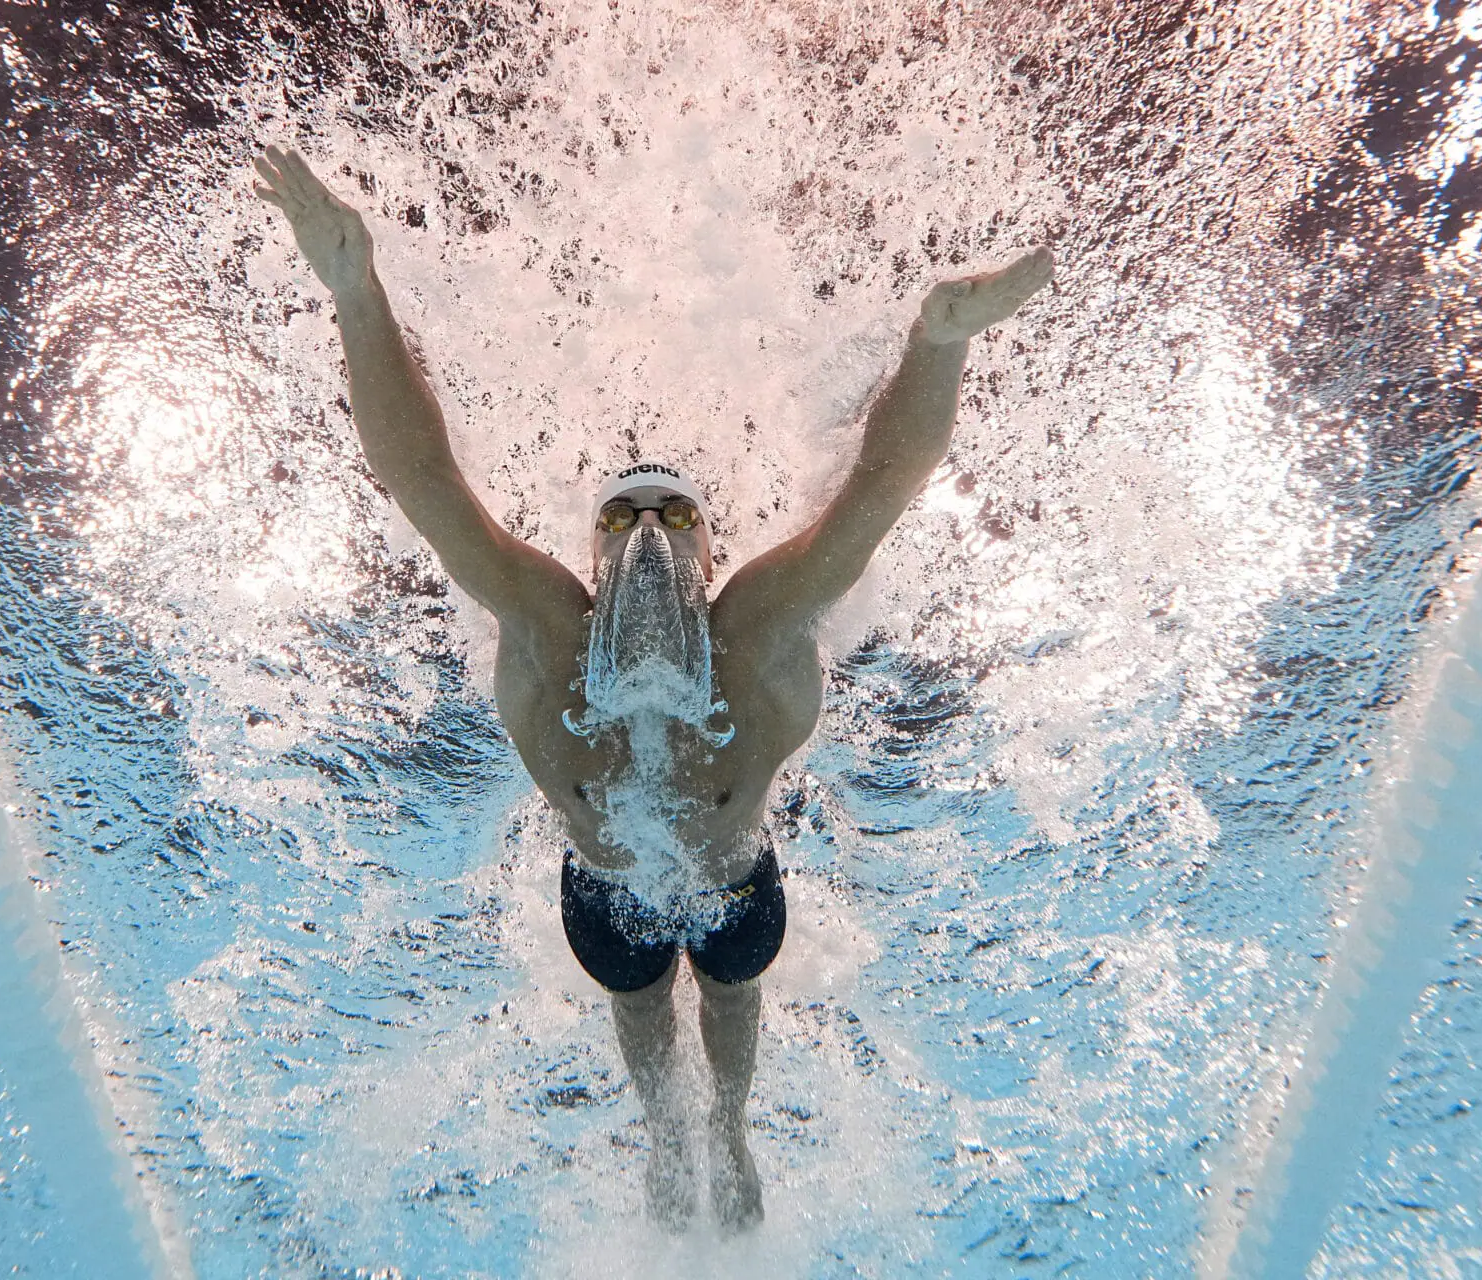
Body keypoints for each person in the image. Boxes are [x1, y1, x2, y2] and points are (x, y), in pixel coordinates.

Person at [252, 145, 1053, 1233]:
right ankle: (668, 1132)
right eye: (627, 515)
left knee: (727, 995)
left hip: (734, 889)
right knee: (638, 1005)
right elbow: (424, 483)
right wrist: (357, 288)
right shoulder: (545, 623)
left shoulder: (756, 626)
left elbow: (880, 489)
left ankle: (725, 1126)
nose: (647, 532)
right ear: (593, 546)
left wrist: (936, 340)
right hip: (608, 898)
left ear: (708, 551)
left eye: (674, 515)